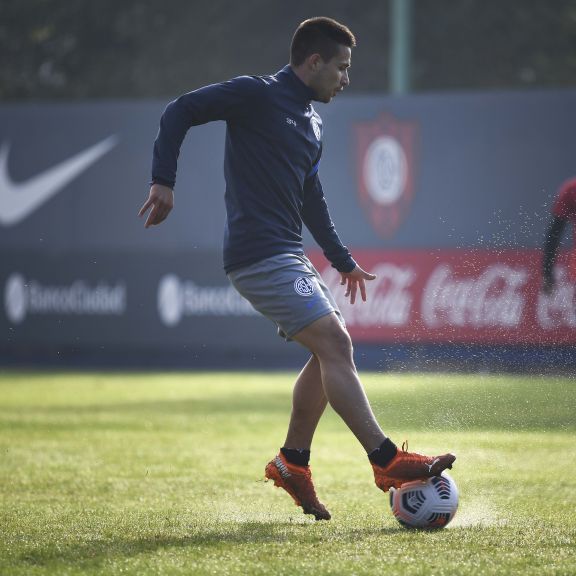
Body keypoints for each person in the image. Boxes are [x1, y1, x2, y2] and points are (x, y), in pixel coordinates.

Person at [139, 17, 455, 521]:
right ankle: (385, 459)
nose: (346, 79)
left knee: (327, 351)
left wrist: (342, 260)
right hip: (256, 252)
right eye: (342, 68)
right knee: (336, 344)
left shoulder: (312, 121)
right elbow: (182, 110)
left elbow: (311, 196)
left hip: (285, 253)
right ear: (313, 63)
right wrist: (163, 179)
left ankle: (293, 462)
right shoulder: (256, 94)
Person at [542, 177, 576, 294]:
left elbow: (554, 234)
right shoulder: (571, 189)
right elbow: (554, 234)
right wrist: (547, 272)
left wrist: (547, 273)